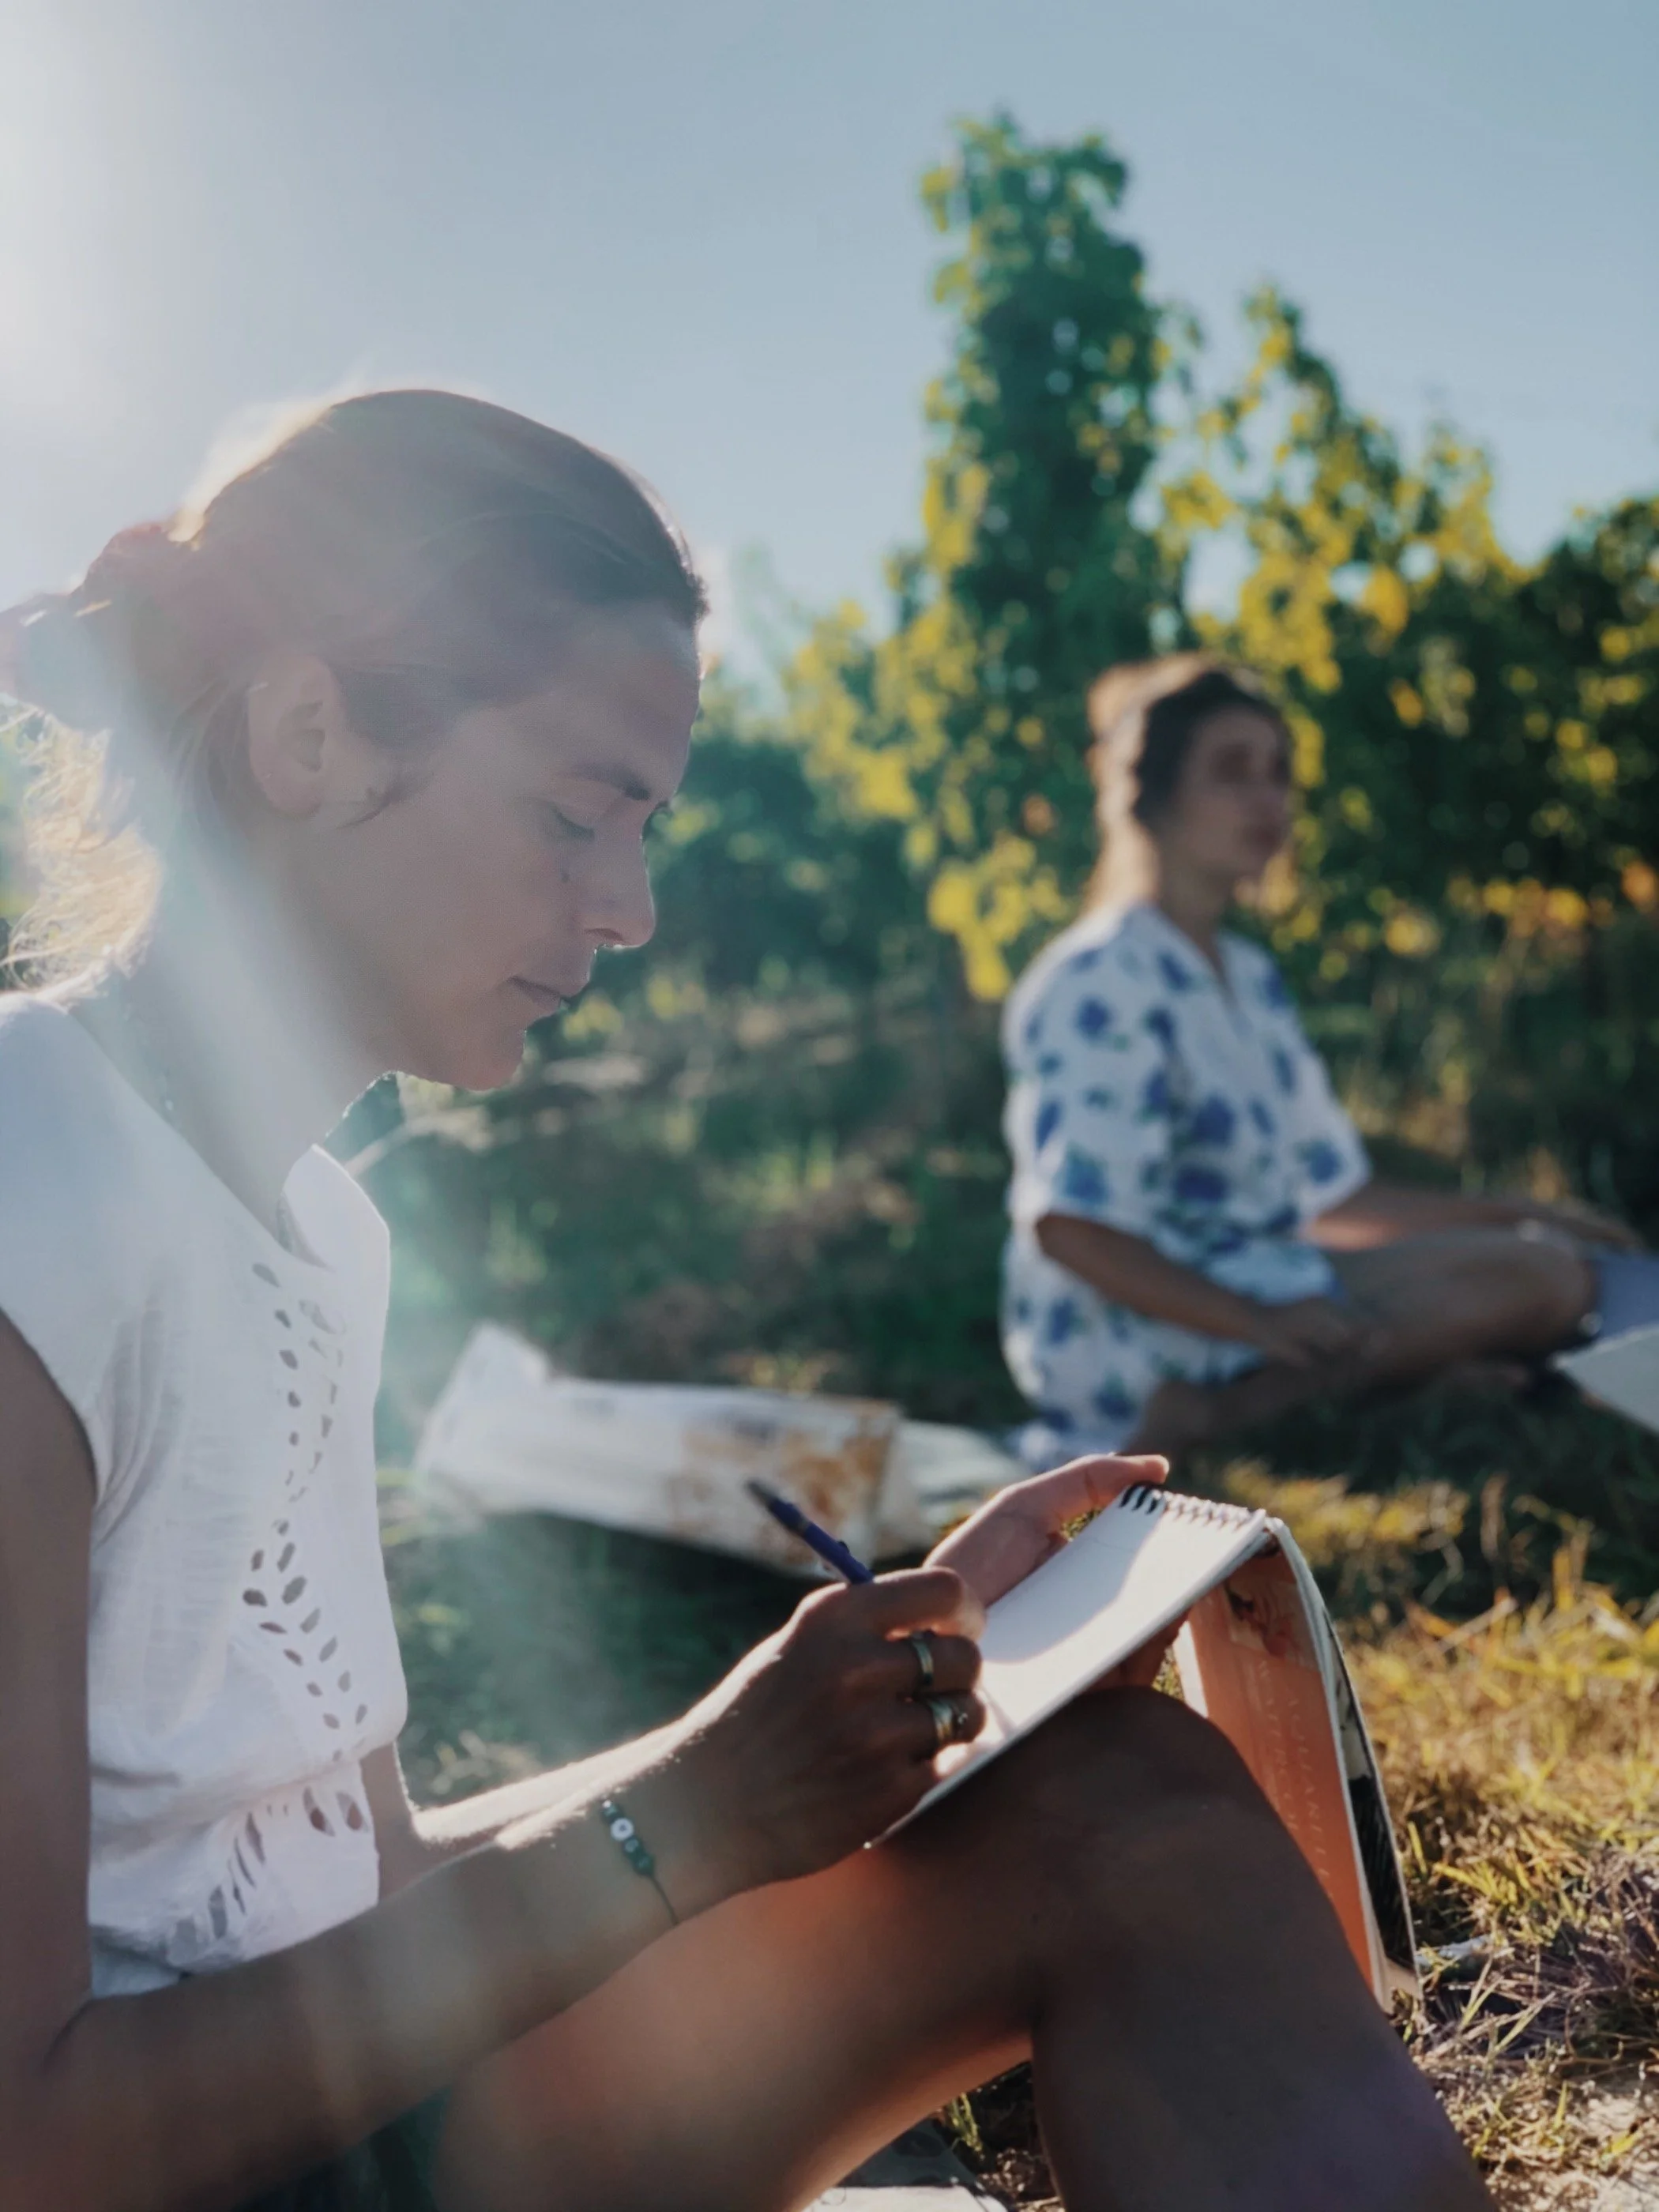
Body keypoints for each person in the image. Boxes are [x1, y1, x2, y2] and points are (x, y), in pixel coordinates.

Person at [0, 395, 1488, 2212]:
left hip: (350, 2118)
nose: (628, 911)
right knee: (1116, 1840)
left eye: (646, 832)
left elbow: (364, 1877)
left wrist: (806, 1729)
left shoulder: (321, 1234)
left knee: (1117, 1795)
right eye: (574, 815)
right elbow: (33, 2138)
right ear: (311, 730)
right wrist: (684, 1829)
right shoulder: (33, 1184)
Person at [1001, 653, 1638, 1465]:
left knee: (1552, 1264)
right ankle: (1225, 1413)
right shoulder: (1099, 976)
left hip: (1266, 1276)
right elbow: (1072, 1229)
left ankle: (1364, 1381)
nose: (1268, 799)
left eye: (1279, 773)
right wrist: (1254, 1320)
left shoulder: (1250, 977)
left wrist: (1530, 1211)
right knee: (1542, 1284)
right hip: (1135, 1330)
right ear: (1150, 797)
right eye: (1233, 771)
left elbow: (1337, 1197)